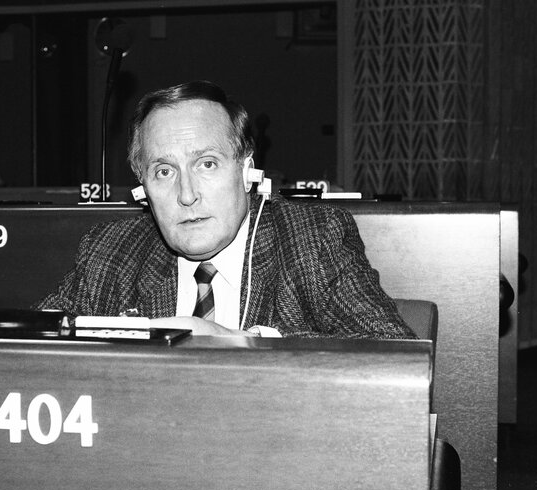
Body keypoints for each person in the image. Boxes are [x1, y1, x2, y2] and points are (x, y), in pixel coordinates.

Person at [35, 80, 415, 339]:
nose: (187, 195)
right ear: (143, 188)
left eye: (207, 164)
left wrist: (241, 346)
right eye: (164, 171)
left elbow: (393, 353)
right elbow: (28, 345)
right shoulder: (111, 252)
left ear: (247, 169)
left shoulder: (311, 241)